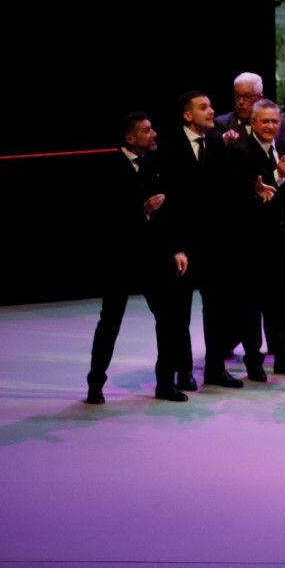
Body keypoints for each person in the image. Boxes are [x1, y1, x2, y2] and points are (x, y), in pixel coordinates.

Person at [87, 112, 193, 403]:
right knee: (110, 322)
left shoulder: (153, 164)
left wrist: (175, 248)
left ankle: (165, 383)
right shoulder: (108, 167)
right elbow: (104, 217)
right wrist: (142, 211)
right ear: (130, 138)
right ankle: (95, 383)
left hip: (153, 258)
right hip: (119, 259)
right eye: (147, 130)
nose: (154, 133)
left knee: (169, 319)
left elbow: (167, 215)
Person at [217, 98, 285, 381]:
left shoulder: (284, 149)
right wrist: (277, 175)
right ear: (252, 123)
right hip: (251, 243)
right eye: (264, 121)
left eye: (274, 121)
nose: (270, 126)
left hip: (279, 241)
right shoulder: (240, 151)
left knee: (281, 302)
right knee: (252, 304)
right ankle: (254, 361)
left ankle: (282, 358)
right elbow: (243, 198)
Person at [169, 89, 243, 388]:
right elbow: (170, 202)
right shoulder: (171, 146)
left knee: (217, 309)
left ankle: (214, 368)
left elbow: (225, 190)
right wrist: (175, 246)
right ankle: (183, 371)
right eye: (203, 107)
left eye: (211, 106)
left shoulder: (215, 141)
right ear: (188, 115)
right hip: (185, 245)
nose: (211, 111)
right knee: (180, 312)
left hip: (214, 244)